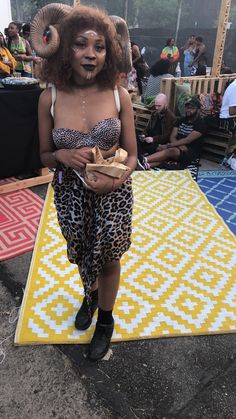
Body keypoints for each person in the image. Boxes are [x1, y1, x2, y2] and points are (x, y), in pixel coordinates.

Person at [31, 4, 137, 361]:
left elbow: (133, 156)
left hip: (114, 194)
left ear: (109, 52)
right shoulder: (50, 97)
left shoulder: (120, 97)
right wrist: (62, 156)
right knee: (81, 254)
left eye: (100, 46)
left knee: (108, 256)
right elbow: (45, 155)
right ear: (64, 49)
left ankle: (104, 321)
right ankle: (89, 297)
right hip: (70, 194)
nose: (91, 53)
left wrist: (118, 177)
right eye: (81, 44)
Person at [138, 97, 207, 170]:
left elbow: (187, 140)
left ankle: (143, 160)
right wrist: (176, 145)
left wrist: (169, 145)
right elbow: (172, 136)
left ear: (198, 110)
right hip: (177, 147)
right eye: (187, 107)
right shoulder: (181, 120)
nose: (188, 110)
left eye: (192, 108)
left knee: (170, 151)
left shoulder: (201, 124)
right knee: (160, 148)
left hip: (189, 151)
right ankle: (146, 165)